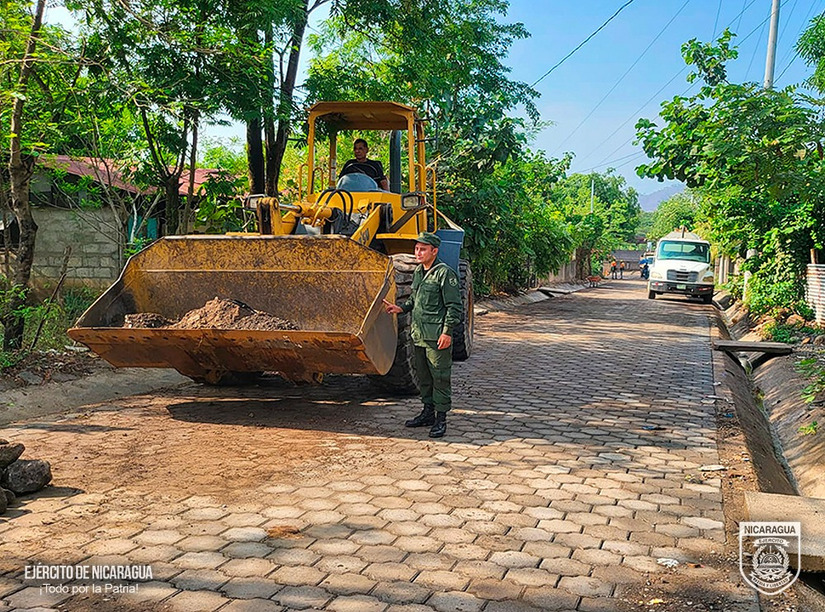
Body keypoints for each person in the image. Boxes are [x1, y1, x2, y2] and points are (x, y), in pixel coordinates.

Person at [382, 232, 462, 438]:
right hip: (419, 335)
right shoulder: (418, 271)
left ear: (434, 251)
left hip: (437, 337)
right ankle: (427, 412)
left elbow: (454, 308)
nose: (418, 252)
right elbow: (414, 300)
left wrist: (447, 333)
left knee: (440, 377)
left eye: (423, 249)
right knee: (424, 378)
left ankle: (441, 419)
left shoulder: (445, 274)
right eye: (417, 249)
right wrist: (400, 308)